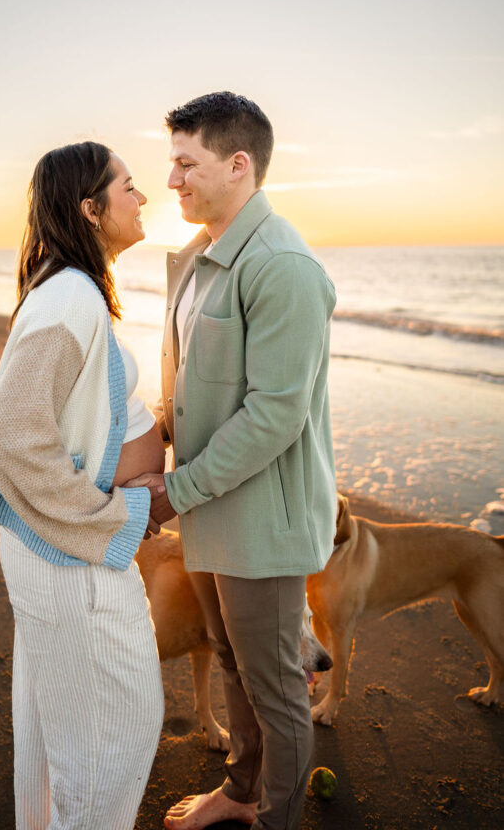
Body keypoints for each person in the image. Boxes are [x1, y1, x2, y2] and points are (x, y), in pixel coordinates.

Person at [130, 92, 337, 830]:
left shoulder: (281, 266)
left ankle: (275, 819)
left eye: (186, 164)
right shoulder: (199, 259)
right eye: (172, 165)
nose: (172, 181)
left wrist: (172, 491)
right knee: (230, 658)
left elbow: (273, 415)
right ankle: (241, 794)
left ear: (238, 164)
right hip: (213, 507)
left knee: (276, 686)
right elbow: (194, 392)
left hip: (262, 526)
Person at [0, 142, 165, 830]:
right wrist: (117, 514)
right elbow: (12, 438)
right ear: (90, 209)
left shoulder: (70, 290)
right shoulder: (70, 298)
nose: (144, 197)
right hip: (69, 554)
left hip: (56, 552)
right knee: (115, 731)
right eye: (129, 186)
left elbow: (79, 414)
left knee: (62, 734)